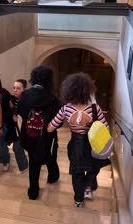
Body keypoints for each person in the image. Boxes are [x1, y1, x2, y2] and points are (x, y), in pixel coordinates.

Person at [47, 73, 110, 208]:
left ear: (69, 90)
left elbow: (50, 128)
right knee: (94, 167)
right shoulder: (95, 109)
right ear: (88, 91)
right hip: (92, 144)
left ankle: (78, 199)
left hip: (75, 144)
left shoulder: (66, 109)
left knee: (77, 173)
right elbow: (106, 128)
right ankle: (87, 184)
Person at [18, 66, 60, 200]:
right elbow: (58, 120)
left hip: (29, 135)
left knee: (33, 162)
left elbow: (21, 112)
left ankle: (33, 191)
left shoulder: (25, 94)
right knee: (50, 156)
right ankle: (53, 177)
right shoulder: (52, 98)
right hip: (47, 136)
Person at [0, 75, 28, 173]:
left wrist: (18, 116)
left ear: (24, 90)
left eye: (18, 88)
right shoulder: (13, 98)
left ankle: (24, 167)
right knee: (15, 147)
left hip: (25, 129)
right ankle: (24, 166)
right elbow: (11, 109)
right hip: (16, 129)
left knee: (17, 147)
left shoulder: (26, 101)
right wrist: (13, 114)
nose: (15, 90)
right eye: (14, 88)